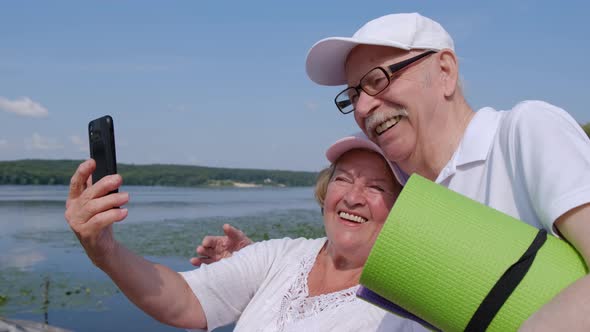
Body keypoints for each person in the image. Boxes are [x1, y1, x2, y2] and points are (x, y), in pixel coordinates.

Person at [192, 12, 590, 331]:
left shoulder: (523, 132)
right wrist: (268, 275)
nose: (363, 108)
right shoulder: (405, 194)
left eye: (378, 80)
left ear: (446, 72)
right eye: (352, 95)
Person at [64, 135, 428, 331]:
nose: (353, 197)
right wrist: (105, 251)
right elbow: (184, 300)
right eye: (343, 179)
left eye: (377, 187)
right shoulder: (280, 255)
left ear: (402, 207)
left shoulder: (413, 302)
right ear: (325, 190)